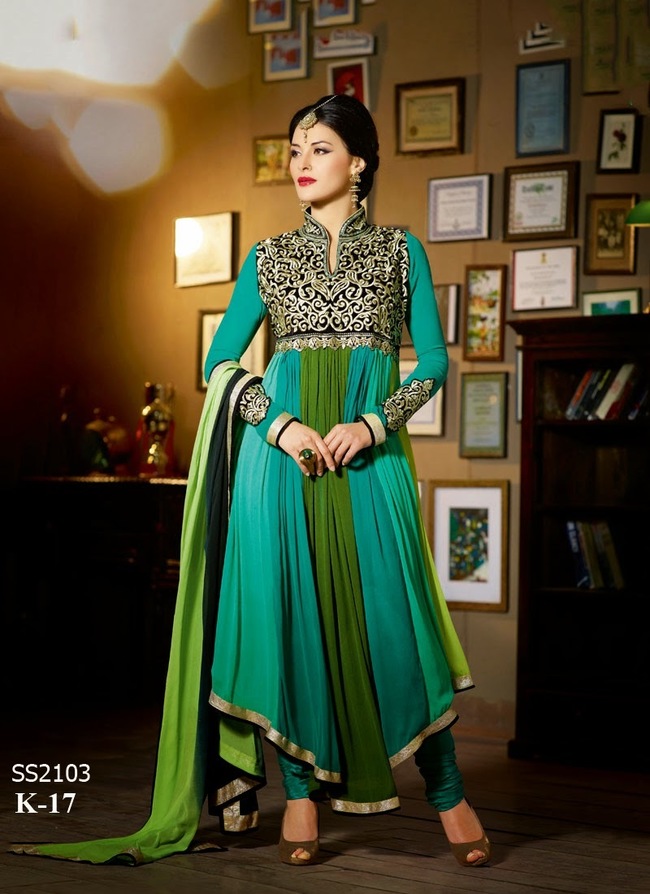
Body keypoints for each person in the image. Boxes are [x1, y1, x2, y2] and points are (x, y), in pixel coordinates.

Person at [11, 94, 489, 869]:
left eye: (320, 148)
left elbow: (432, 361)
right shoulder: (268, 258)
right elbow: (220, 359)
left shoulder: (400, 252)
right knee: (291, 622)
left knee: (394, 624)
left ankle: (448, 791)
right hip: (283, 465)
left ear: (359, 162)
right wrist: (280, 425)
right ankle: (299, 794)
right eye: (295, 149)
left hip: (372, 464)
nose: (301, 162)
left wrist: (374, 424)